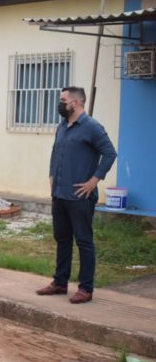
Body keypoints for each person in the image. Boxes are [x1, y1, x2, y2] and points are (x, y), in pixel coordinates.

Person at [36, 86, 117, 304]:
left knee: (84, 241)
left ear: (76, 102)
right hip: (60, 194)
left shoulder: (92, 127)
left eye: (63, 100)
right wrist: (52, 175)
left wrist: (94, 180)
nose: (60, 104)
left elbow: (110, 153)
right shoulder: (62, 126)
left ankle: (86, 288)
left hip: (80, 197)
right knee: (62, 239)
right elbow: (56, 151)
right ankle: (60, 282)